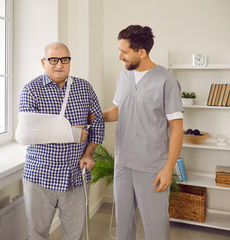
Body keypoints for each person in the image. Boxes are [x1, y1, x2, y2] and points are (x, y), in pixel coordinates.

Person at [103, 25, 183, 240]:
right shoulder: (123, 77)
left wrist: (168, 169)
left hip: (152, 167)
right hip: (123, 163)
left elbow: (177, 128)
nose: (120, 57)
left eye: (125, 52)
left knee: (156, 229)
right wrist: (95, 116)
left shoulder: (166, 81)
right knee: (123, 228)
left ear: (142, 51)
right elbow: (119, 110)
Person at [18, 42, 105, 240]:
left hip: (75, 174)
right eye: (53, 60)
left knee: (74, 235)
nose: (59, 65)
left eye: (65, 60)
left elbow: (98, 123)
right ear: (43, 62)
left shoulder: (84, 88)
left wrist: (89, 154)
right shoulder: (31, 90)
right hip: (40, 175)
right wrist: (71, 133)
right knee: (37, 234)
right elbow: (26, 133)